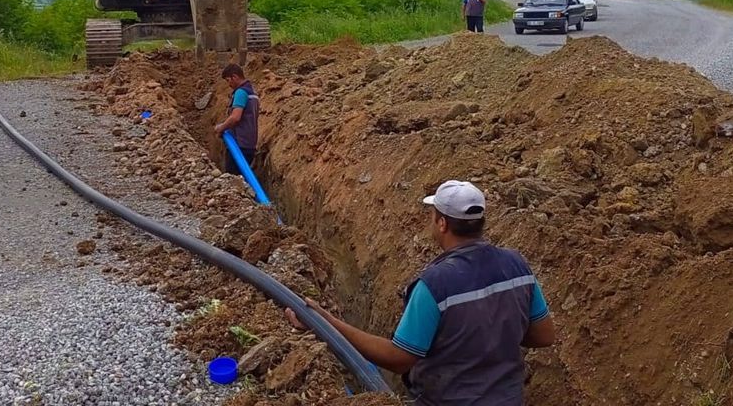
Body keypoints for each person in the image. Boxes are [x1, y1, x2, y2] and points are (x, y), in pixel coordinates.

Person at [285, 180, 555, 406]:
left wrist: (326, 321)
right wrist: (495, 335)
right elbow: (543, 335)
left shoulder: (436, 285)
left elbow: (399, 359)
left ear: (442, 224)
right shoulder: (517, 265)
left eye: (432, 215)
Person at [213, 63, 260, 175]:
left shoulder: (241, 92)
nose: (228, 84)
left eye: (228, 80)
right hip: (249, 144)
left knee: (233, 180)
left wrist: (221, 128)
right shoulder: (252, 92)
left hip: (239, 146)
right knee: (242, 179)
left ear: (235, 77)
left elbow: (235, 117)